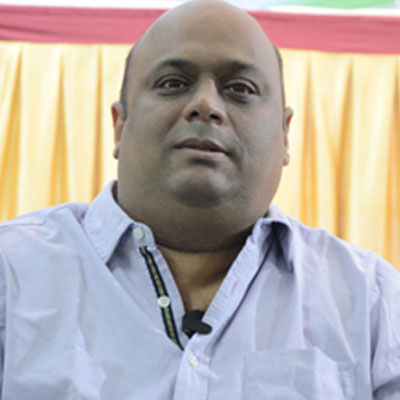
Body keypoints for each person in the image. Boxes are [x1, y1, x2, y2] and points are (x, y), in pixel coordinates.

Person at [0, 0, 399, 398]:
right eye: (173, 83)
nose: (205, 105)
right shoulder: (13, 273)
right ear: (120, 125)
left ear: (285, 135)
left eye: (240, 89)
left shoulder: (372, 304)